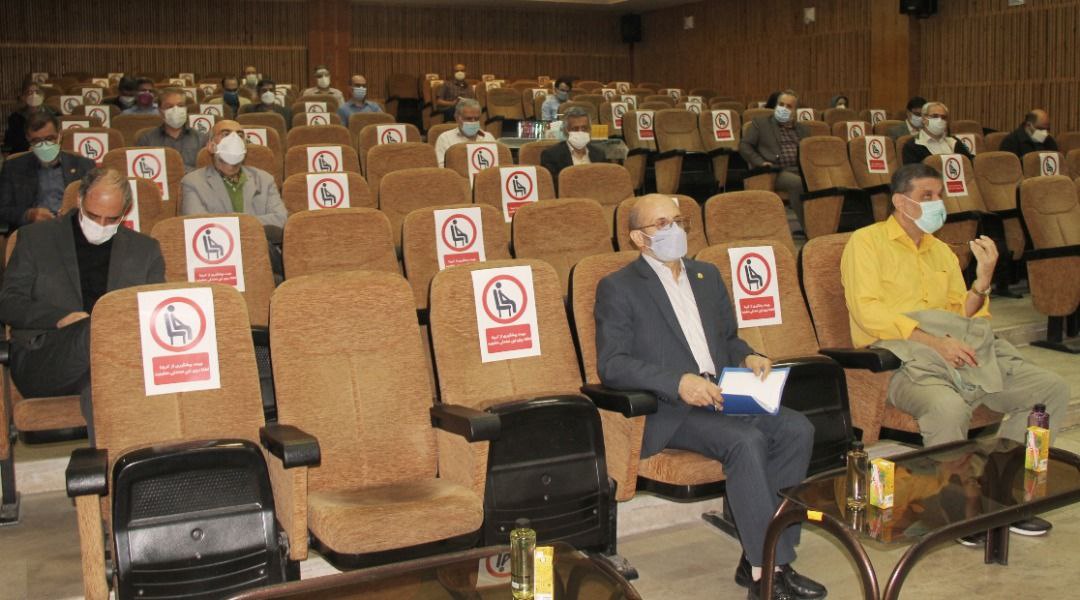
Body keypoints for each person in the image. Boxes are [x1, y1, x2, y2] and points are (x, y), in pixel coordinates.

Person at [595, 194, 825, 600]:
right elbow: (613, 364)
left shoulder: (706, 275)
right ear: (637, 237)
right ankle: (766, 575)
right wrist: (677, 382)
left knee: (797, 429)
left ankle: (769, 557)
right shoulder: (619, 287)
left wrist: (749, 355)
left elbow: (728, 339)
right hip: (671, 408)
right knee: (746, 441)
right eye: (661, 224)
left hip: (725, 392)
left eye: (678, 221)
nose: (674, 230)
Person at [840, 163, 1069, 542]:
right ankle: (958, 507)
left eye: (940, 195)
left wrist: (982, 279)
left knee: (1051, 389)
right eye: (927, 196)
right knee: (948, 407)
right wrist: (935, 343)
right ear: (901, 202)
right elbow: (868, 312)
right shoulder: (866, 243)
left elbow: (961, 315)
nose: (938, 203)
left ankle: (1001, 494)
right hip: (899, 361)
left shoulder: (941, 251)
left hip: (959, 352)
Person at [0, 167, 165, 442]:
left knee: (101, 382)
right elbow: (8, 303)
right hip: (45, 356)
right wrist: (60, 317)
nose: (101, 224)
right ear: (79, 200)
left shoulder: (145, 250)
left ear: (125, 212)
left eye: (111, 219)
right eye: (93, 215)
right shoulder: (34, 239)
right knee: (99, 329)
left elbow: (154, 314)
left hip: (115, 362)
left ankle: (112, 465)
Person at [180, 120, 286, 229]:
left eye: (240, 135)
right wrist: (246, 222)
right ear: (211, 146)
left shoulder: (265, 179)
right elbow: (197, 225)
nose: (235, 139)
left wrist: (235, 222)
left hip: (260, 240)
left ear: (245, 146)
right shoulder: (193, 182)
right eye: (226, 134)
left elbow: (280, 219)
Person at [0, 113, 95, 230]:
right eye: (37, 141)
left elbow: (95, 204)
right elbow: (3, 209)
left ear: (59, 136)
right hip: (32, 230)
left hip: (73, 228)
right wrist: (28, 215)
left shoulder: (84, 165)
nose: (44, 145)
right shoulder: (13, 167)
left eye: (50, 139)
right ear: (28, 140)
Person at [738, 89, 810, 232]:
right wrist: (760, 163)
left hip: (800, 169)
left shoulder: (802, 129)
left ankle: (825, 225)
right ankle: (810, 229)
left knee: (820, 183)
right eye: (781, 104)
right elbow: (744, 146)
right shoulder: (761, 123)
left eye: (789, 106)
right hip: (774, 171)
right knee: (797, 183)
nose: (783, 108)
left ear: (795, 111)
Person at [135, 88, 208, 174]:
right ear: (160, 111)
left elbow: (207, 171)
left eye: (180, 105)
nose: (175, 110)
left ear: (186, 109)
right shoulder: (147, 140)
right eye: (169, 107)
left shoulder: (201, 138)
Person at [540, 106, 606, 192]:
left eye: (584, 128)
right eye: (575, 129)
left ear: (590, 129)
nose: (580, 132)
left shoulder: (599, 154)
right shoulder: (551, 156)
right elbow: (552, 188)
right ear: (566, 131)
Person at [901, 101, 973, 165]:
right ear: (924, 119)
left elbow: (969, 165)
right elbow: (914, 173)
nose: (940, 120)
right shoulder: (912, 146)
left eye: (943, 117)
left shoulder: (954, 141)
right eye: (935, 116)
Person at [434, 99, 494, 168]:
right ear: (457, 118)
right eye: (468, 118)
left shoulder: (488, 137)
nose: (473, 122)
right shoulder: (445, 139)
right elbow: (442, 168)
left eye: (477, 118)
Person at [3, 78, 58, 154]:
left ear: (42, 96)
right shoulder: (15, 117)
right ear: (23, 97)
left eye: (37, 92)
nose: (34, 95)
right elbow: (12, 142)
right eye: (29, 92)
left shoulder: (53, 114)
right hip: (23, 152)